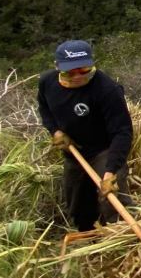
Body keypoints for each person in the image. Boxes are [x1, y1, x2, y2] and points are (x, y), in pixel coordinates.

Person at [38, 40, 134, 231]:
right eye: (70, 72)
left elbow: (122, 132)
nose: (78, 77)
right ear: (57, 67)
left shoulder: (107, 89)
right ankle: (88, 238)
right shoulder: (47, 83)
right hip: (74, 151)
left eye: (84, 70)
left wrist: (111, 172)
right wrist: (55, 131)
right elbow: (44, 109)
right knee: (78, 203)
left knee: (112, 201)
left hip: (104, 149)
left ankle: (122, 235)